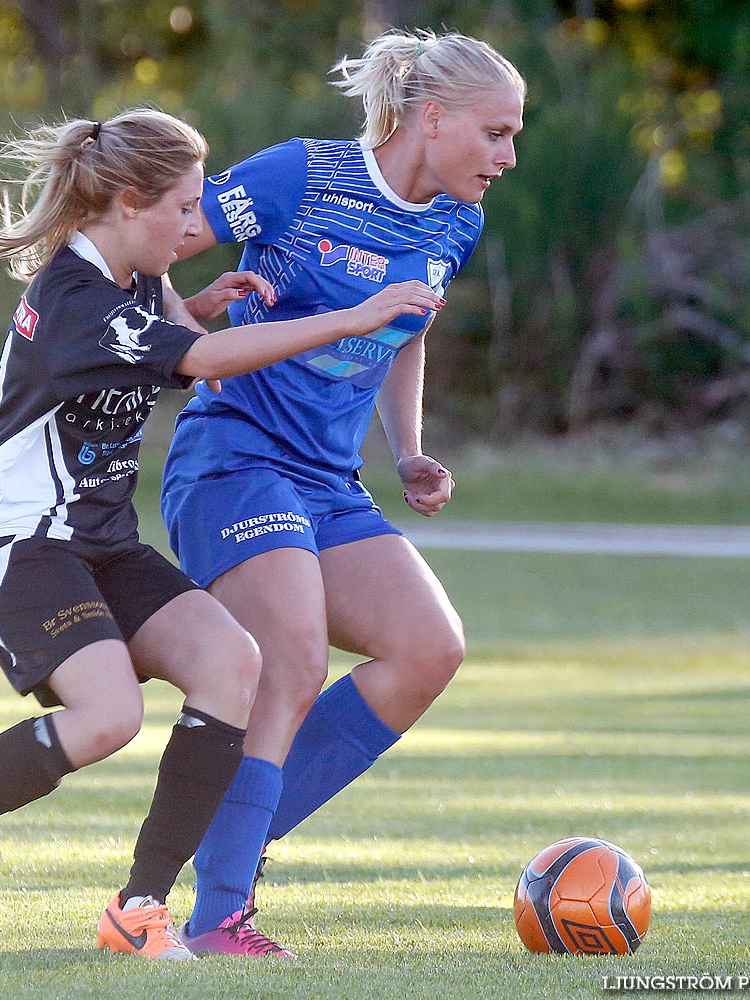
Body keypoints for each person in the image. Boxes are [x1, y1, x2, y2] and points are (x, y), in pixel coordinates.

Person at [0, 107, 443, 961]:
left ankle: (140, 909)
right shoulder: (77, 296)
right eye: (184, 210)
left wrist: (196, 303)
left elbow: (177, 341)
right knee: (108, 716)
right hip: (21, 543)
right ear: (127, 202)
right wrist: (350, 317)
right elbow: (202, 363)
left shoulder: (134, 282)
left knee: (232, 663)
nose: (198, 227)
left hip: (102, 540)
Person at [159, 28, 526, 955]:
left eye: (513, 136)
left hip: (328, 478)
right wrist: (181, 331)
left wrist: (405, 451)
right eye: (494, 133)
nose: (507, 157)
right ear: (431, 117)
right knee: (291, 653)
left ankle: (226, 834)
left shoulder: (454, 221)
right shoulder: (299, 175)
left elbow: (406, 331)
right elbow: (152, 242)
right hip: (232, 456)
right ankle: (218, 918)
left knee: (428, 649)